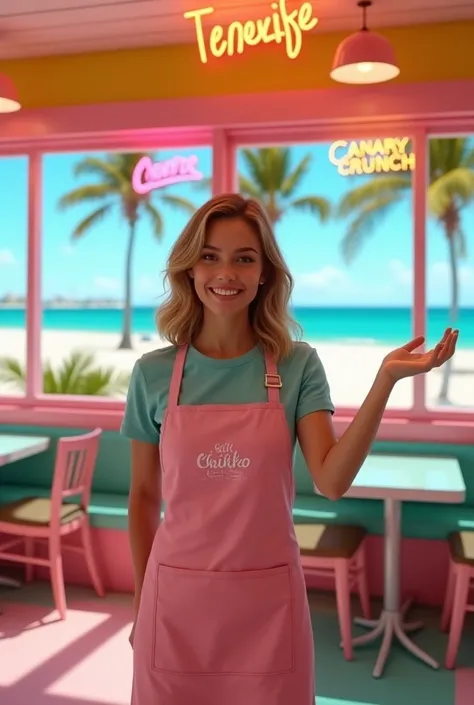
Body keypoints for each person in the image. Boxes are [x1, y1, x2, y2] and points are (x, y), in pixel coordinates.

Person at [120, 193, 458, 705]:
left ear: (264, 275)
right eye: (209, 256)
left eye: (244, 257)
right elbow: (143, 498)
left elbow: (331, 480)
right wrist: (143, 602)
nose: (225, 272)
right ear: (189, 270)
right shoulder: (153, 373)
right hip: (176, 606)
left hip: (267, 608)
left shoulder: (298, 366)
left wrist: (384, 381)